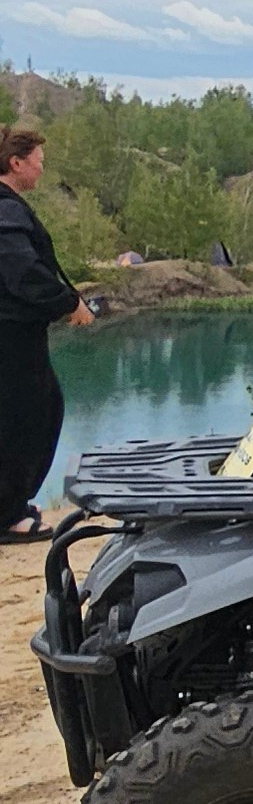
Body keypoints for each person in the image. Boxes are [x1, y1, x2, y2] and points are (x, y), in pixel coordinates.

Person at [0, 127, 91, 536]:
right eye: (38, 160)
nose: (42, 168)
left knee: (30, 411)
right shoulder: (5, 210)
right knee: (27, 416)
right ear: (16, 163)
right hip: (10, 336)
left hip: (16, 332)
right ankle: (7, 516)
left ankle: (11, 503)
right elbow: (22, 272)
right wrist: (67, 302)